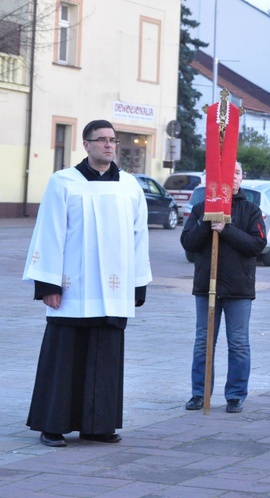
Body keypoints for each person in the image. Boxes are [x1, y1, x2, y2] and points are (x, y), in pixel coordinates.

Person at [23, 120, 152, 447]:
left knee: (104, 359)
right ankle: (52, 425)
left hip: (113, 290)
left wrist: (138, 284)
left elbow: (140, 237)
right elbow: (49, 233)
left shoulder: (129, 185)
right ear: (87, 145)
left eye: (113, 140)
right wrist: (47, 284)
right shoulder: (63, 182)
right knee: (64, 358)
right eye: (102, 140)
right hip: (72, 289)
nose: (109, 145)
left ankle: (99, 425)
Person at [181, 161, 266, 414]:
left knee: (238, 342)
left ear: (243, 177)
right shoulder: (200, 209)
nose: (234, 178)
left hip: (239, 287)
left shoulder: (251, 210)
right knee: (203, 342)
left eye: (237, 173)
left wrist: (226, 229)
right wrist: (208, 223)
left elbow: (256, 245)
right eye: (229, 173)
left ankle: (236, 394)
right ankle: (200, 393)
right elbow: (189, 242)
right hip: (206, 285)